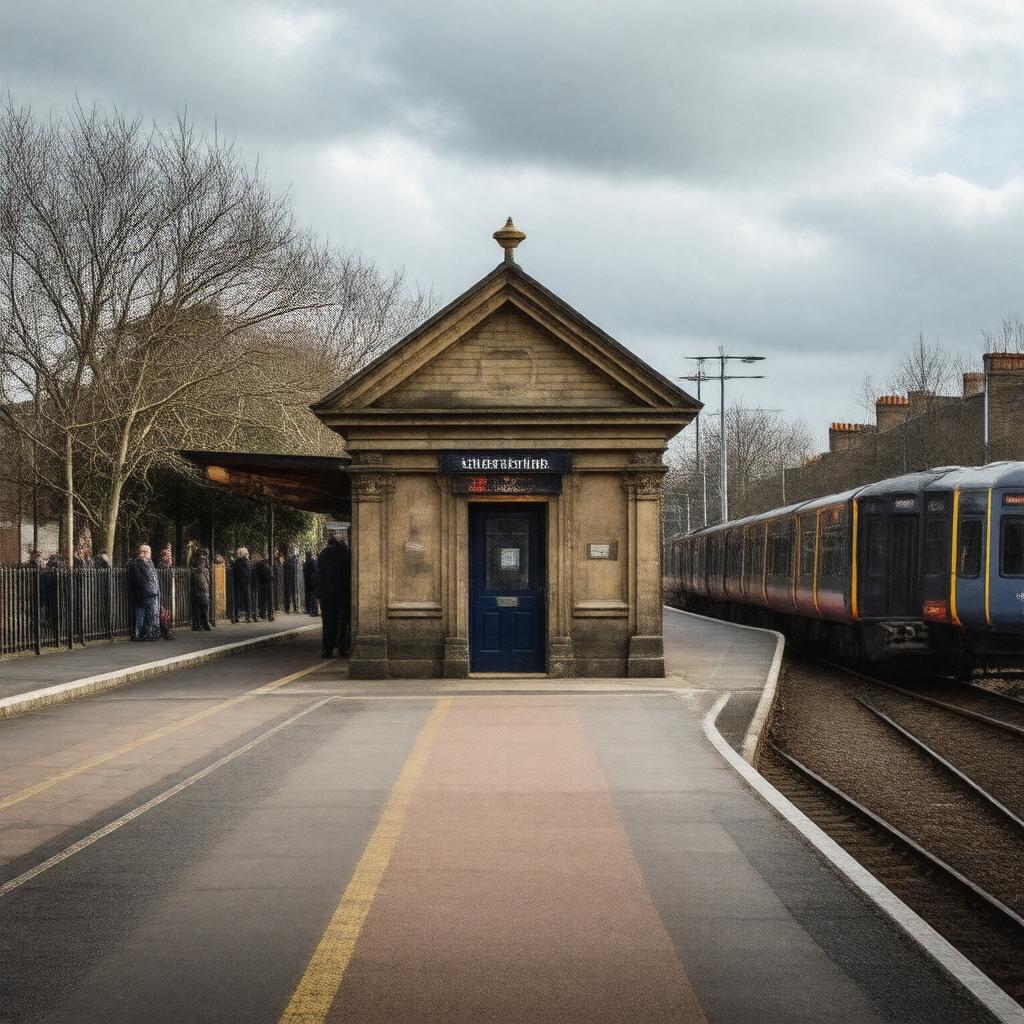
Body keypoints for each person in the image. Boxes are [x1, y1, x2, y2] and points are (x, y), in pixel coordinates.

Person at [316, 532, 351, 658]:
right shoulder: (345, 552)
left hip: (326, 593)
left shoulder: (323, 553)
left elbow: (319, 573)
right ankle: (342, 647)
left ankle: (327, 649)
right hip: (341, 593)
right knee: (342, 622)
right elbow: (347, 574)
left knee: (328, 622)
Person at [127, 544, 160, 641]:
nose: (145, 554)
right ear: (139, 553)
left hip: (152, 594)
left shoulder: (151, 564)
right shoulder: (135, 564)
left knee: (151, 616)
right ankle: (139, 634)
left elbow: (154, 580)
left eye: (147, 552)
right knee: (140, 616)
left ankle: (147, 633)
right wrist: (149, 589)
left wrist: (155, 591)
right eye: (143, 551)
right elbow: (139, 580)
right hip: (142, 595)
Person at [190, 547, 212, 631]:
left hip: (201, 590)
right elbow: (202, 581)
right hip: (201, 590)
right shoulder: (199, 569)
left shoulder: (198, 567)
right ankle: (202, 624)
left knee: (200, 608)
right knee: (202, 607)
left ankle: (201, 624)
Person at [232, 547, 253, 623]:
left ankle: (241, 616)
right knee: (247, 600)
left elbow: (236, 574)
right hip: (246, 584)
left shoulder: (237, 563)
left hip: (240, 584)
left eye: (238, 553)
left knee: (240, 601)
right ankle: (248, 615)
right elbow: (249, 573)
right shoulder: (248, 562)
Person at [254, 553, 275, 621]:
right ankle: (268, 614)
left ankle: (263, 614)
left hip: (262, 584)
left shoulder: (259, 565)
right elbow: (267, 575)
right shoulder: (265, 565)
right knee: (267, 600)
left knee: (263, 601)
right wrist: (271, 578)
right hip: (265, 584)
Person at [303, 550, 319, 616]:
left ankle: (311, 610)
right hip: (312, 581)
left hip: (309, 582)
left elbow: (306, 572)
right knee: (312, 596)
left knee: (311, 596)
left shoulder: (308, 562)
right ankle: (312, 610)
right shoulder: (313, 561)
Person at [283, 548, 299, 613]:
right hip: (292, 580)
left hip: (288, 580)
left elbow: (285, 571)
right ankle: (294, 608)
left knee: (288, 595)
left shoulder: (287, 562)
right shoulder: (293, 561)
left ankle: (288, 609)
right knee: (292, 594)